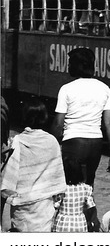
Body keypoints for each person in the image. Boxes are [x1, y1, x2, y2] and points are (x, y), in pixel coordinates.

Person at [53, 46, 110, 186]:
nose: (68, 66)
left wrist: (52, 146)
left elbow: (58, 124)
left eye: (70, 63)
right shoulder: (104, 88)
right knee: (88, 186)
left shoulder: (66, 89)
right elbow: (109, 123)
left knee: (71, 186)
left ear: (77, 66)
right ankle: (89, 207)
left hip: (73, 143)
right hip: (95, 144)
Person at [0, 99, 66, 233]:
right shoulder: (52, 141)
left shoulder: (18, 141)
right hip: (44, 204)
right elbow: (56, 172)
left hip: (22, 205)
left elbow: (10, 173)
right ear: (45, 118)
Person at [52, 159, 99, 233]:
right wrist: (90, 220)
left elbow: (55, 205)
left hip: (63, 222)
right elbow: (91, 206)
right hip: (79, 222)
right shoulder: (85, 188)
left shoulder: (62, 189)